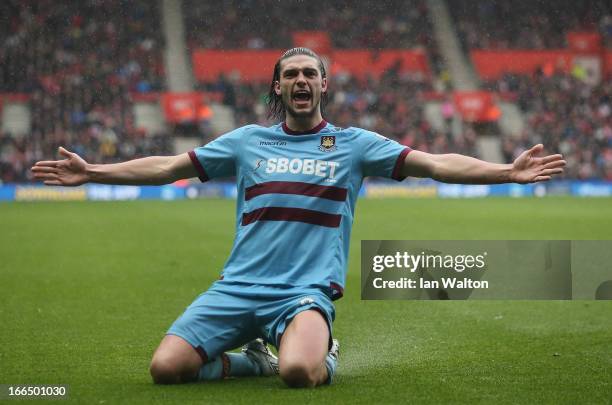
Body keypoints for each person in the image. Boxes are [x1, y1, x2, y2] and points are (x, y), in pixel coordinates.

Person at [31, 47, 566, 388]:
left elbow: (435, 162)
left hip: (303, 290)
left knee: (299, 373)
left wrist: (504, 172)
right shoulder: (245, 141)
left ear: (324, 86)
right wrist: (94, 172)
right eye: (292, 74)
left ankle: (312, 347)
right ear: (278, 88)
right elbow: (168, 165)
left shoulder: (355, 145)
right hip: (238, 286)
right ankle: (251, 360)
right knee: (166, 370)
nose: (302, 80)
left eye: (311, 73)